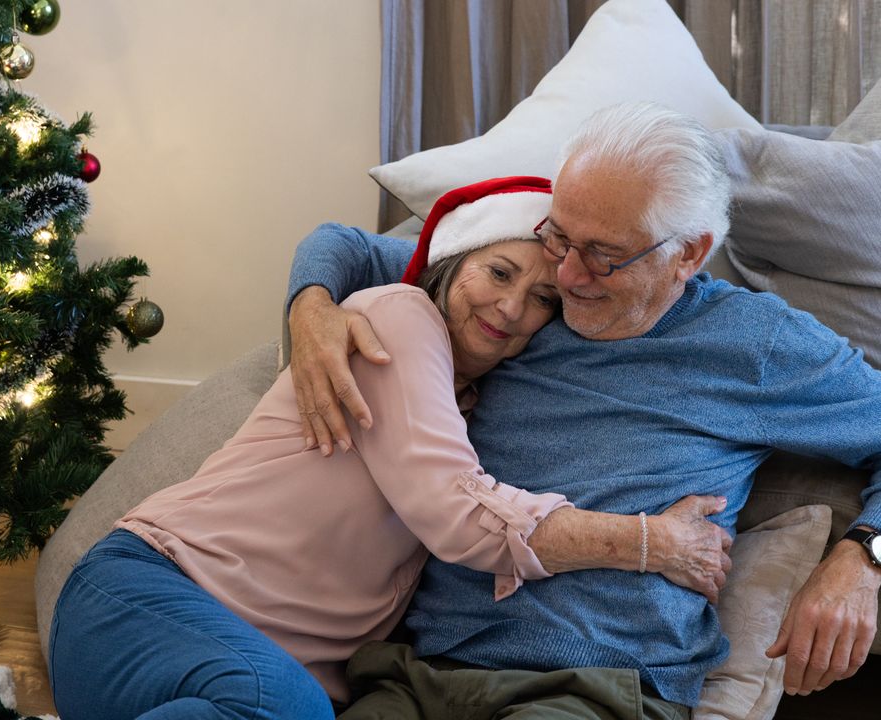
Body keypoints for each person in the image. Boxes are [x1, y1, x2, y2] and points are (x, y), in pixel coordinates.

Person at [47, 176, 733, 720]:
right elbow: (457, 513)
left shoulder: (466, 398)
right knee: (281, 705)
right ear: (452, 263)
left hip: (223, 673)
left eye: (543, 300)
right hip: (149, 600)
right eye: (497, 274)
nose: (511, 309)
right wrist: (652, 543)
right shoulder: (398, 319)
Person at [286, 102, 881, 719]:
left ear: (689, 254)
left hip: (598, 686)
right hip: (421, 671)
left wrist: (862, 558)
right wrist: (311, 312)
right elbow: (340, 243)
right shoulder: (517, 296)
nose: (566, 275)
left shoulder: (758, 345)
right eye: (560, 235)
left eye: (602, 254)